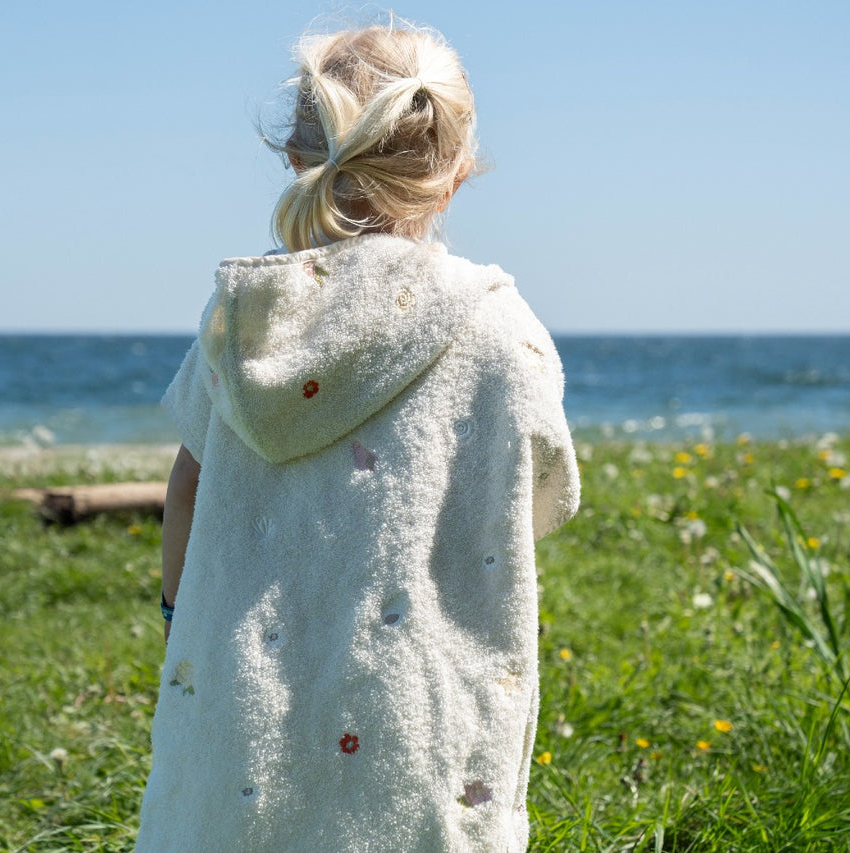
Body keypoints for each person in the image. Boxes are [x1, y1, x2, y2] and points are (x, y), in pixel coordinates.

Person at [135, 18, 580, 852]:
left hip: (244, 689)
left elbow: (189, 482)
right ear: (453, 175)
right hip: (422, 706)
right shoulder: (499, 326)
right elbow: (540, 491)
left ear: (296, 157)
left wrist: (175, 611)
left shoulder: (249, 319)